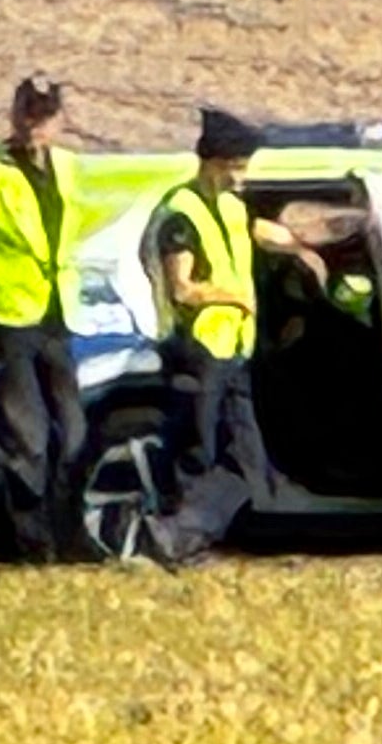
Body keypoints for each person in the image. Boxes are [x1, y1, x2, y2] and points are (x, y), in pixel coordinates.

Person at [138, 111, 324, 568]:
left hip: (234, 348)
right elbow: (182, 287)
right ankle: (175, 540)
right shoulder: (180, 214)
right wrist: (236, 296)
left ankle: (244, 538)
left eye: (245, 166)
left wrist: (308, 247)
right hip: (198, 348)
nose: (242, 176)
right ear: (209, 162)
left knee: (247, 451)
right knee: (197, 450)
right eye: (234, 166)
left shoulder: (232, 207)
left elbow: (264, 234)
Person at [0, 76, 91, 561]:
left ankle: (70, 538)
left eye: (44, 114)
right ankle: (36, 548)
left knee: (72, 434)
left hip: (52, 313)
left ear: (59, 120)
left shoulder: (69, 168)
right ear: (12, 112)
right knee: (27, 439)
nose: (34, 124)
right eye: (27, 112)